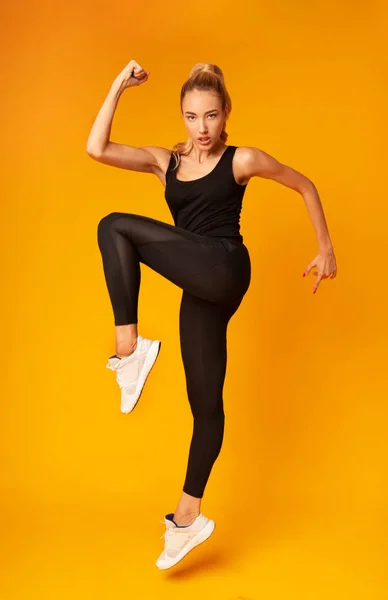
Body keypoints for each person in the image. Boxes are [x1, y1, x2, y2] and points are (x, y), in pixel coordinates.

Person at [86, 59, 337, 570]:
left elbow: (304, 183)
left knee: (115, 225)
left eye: (211, 116)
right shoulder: (167, 162)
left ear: (225, 115)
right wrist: (118, 86)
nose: (201, 129)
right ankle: (187, 518)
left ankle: (129, 349)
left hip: (223, 265)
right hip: (198, 286)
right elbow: (96, 149)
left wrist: (325, 247)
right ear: (182, 117)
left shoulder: (242, 160)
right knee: (205, 404)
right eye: (191, 117)